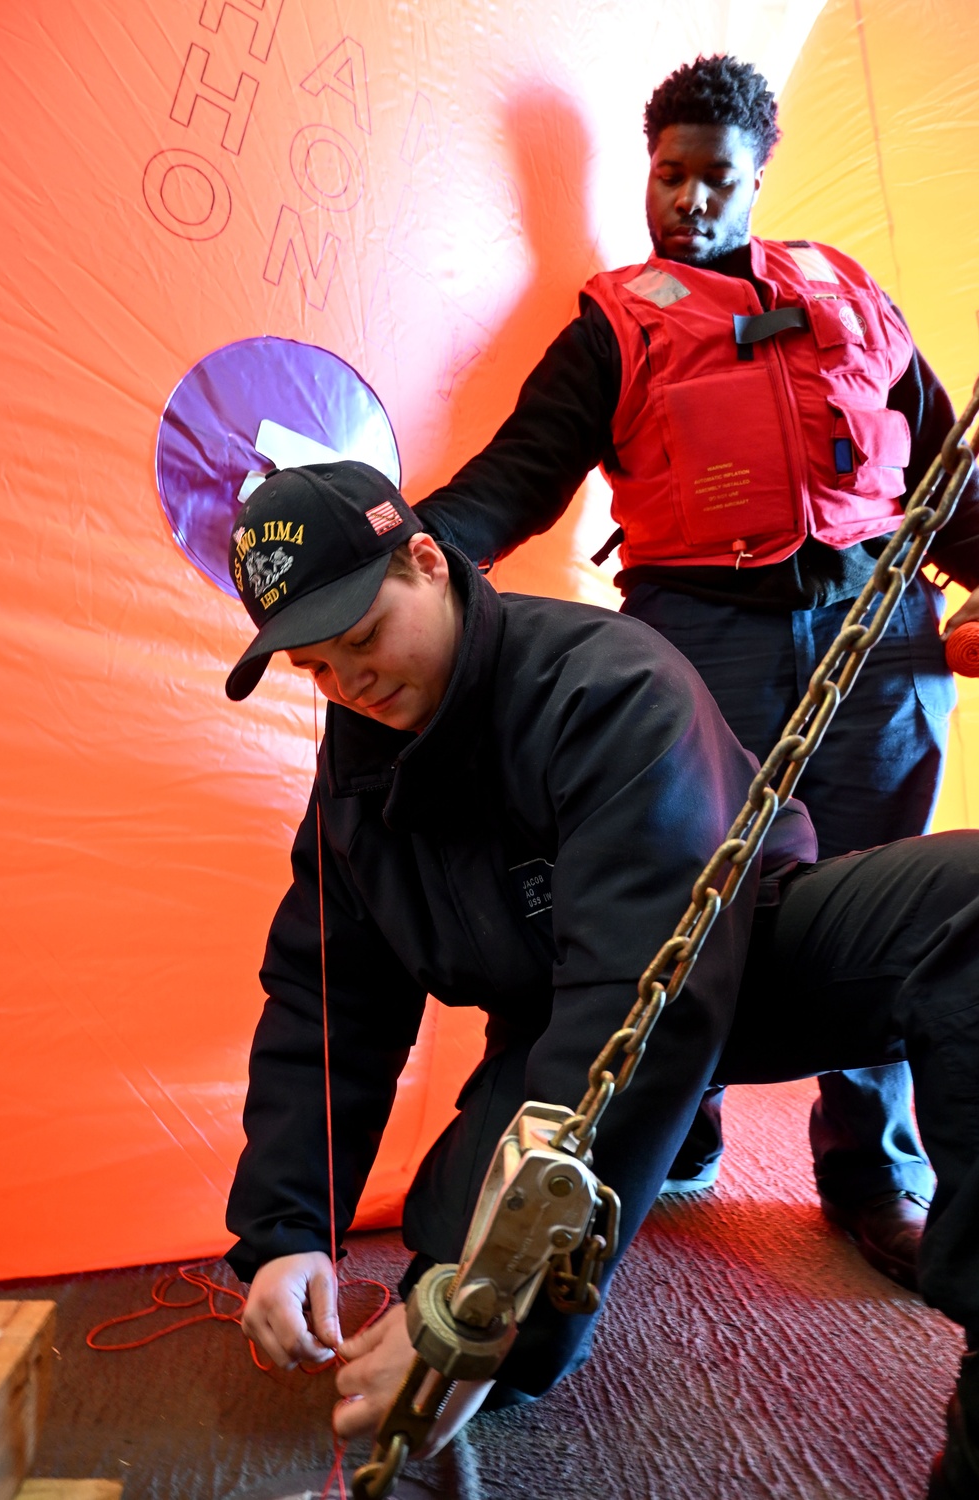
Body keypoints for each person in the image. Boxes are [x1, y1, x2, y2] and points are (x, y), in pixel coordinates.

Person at [222, 460, 978, 1499]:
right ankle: (621, 1170)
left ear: (428, 561)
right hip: (549, 1026)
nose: (350, 684)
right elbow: (326, 1003)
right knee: (442, 1274)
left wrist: (483, 1315)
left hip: (749, 954)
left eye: (362, 638)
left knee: (972, 905)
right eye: (315, 667)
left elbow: (639, 994)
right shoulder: (355, 777)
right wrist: (288, 1229)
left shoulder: (607, 682)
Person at [412, 54, 979, 1290]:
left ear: (757, 176)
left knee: (887, 897)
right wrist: (413, 551)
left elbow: (941, 472)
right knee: (697, 899)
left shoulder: (848, 294)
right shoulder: (611, 324)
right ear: (646, 174)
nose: (691, 202)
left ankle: (873, 1173)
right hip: (695, 644)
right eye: (669, 176)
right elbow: (516, 475)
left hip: (878, 641)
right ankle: (680, 1122)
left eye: (717, 178)